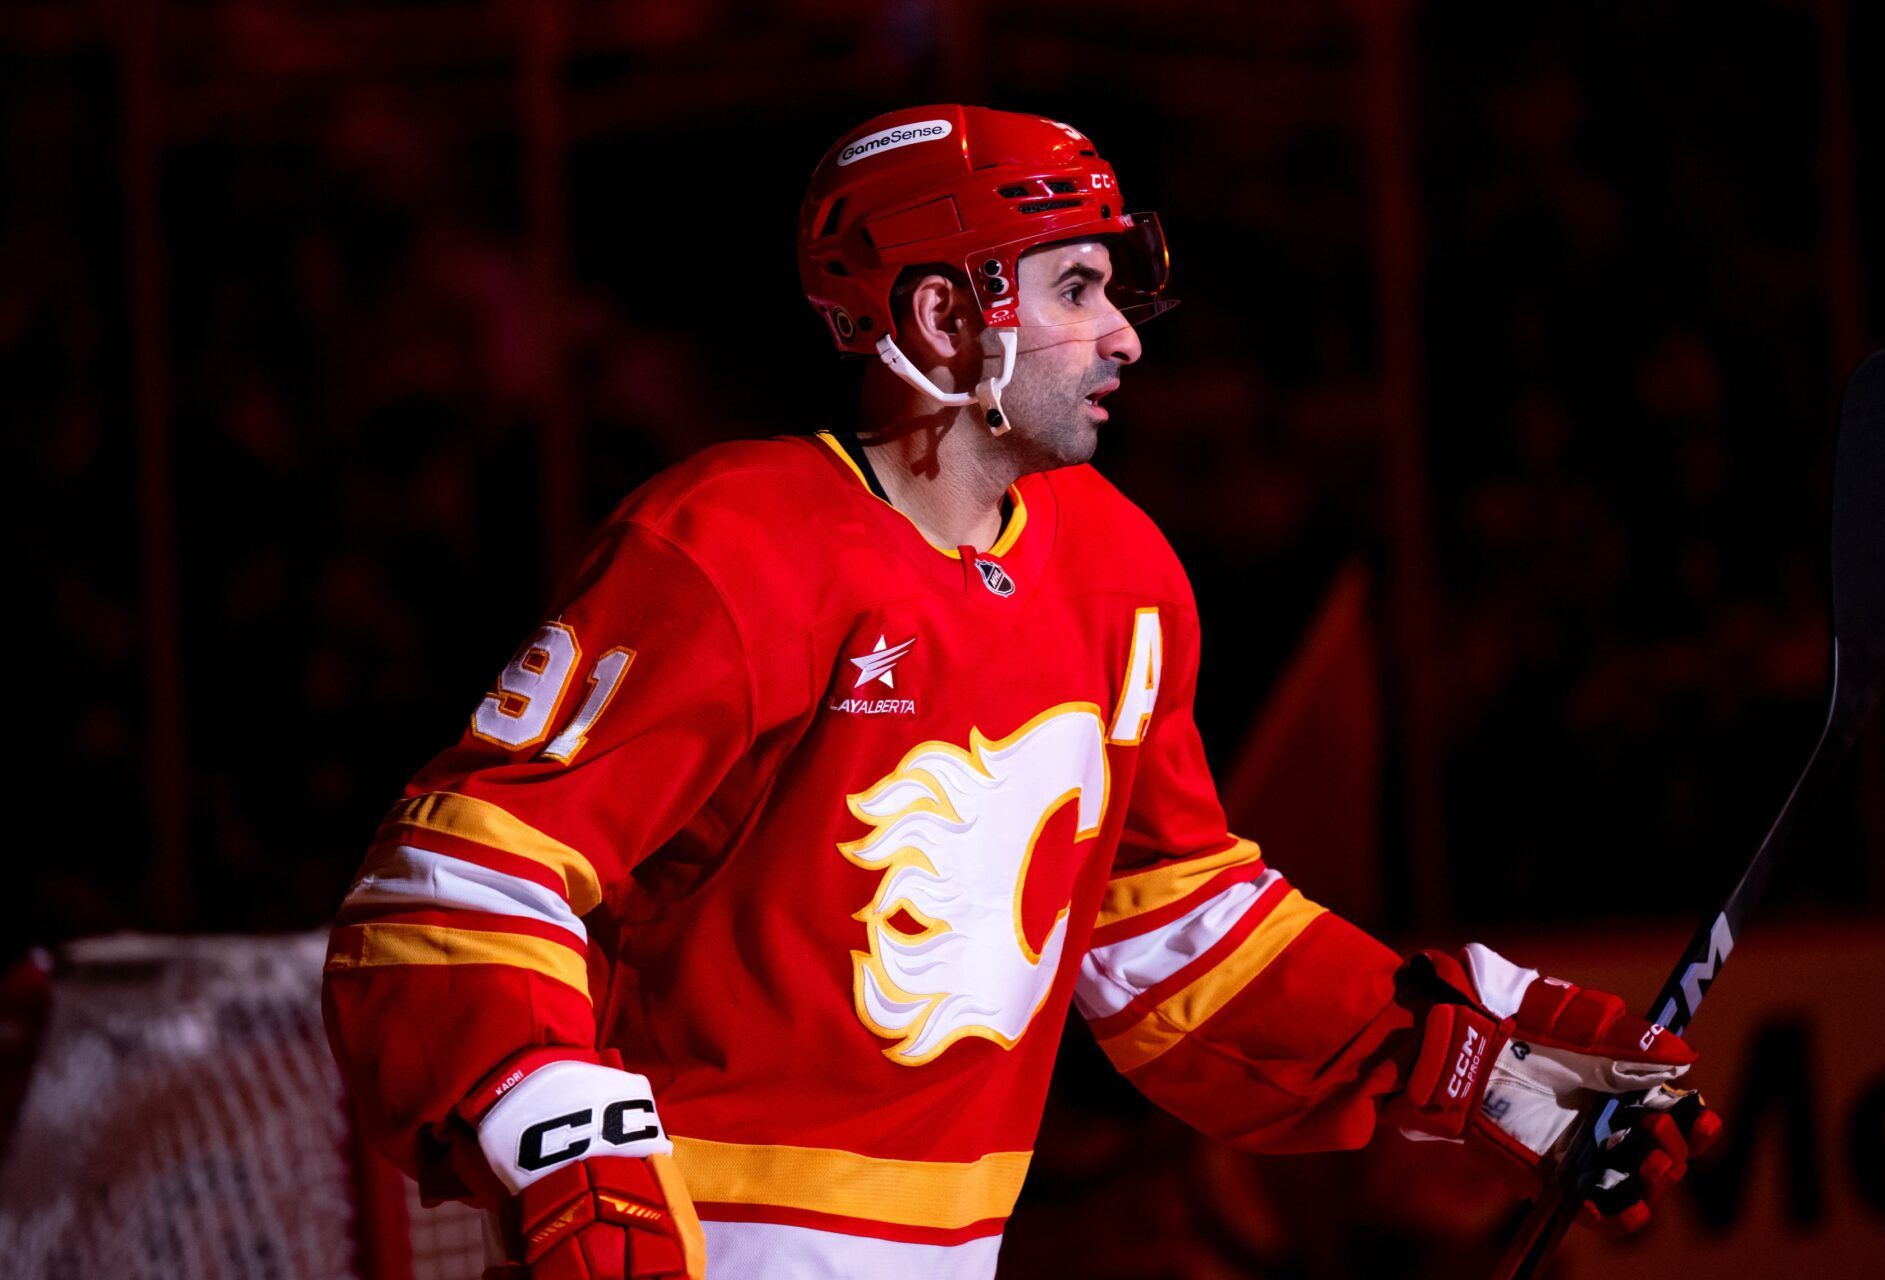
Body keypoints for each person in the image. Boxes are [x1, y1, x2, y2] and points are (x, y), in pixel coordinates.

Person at [322, 105, 1719, 1280]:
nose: (1125, 337)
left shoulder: (1121, 571)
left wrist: (1474, 1056)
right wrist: (559, 1140)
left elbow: (1176, 939)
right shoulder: (727, 545)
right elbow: (451, 886)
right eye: (1074, 290)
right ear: (942, 316)